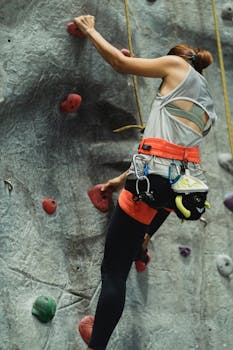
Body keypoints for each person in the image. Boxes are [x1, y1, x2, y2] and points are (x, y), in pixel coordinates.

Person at [73, 15, 217, 350]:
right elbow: (168, 154)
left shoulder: (175, 65)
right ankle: (142, 244)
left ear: (176, 59)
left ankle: (97, 344)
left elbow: (122, 63)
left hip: (154, 184)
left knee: (113, 272)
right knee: (142, 223)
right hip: (180, 190)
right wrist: (117, 183)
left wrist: (90, 30)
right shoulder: (205, 99)